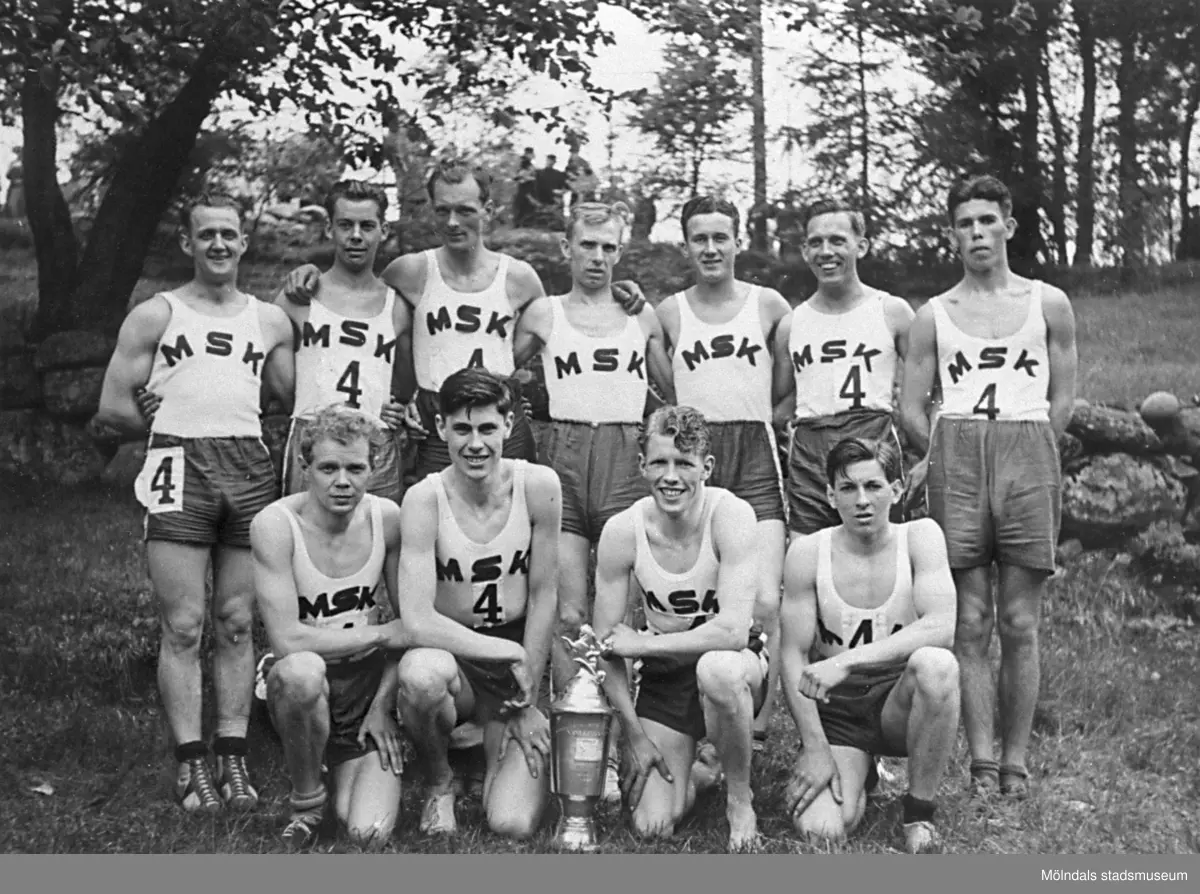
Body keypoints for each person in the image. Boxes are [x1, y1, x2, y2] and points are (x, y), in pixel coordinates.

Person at [95, 191, 294, 813]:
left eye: (228, 234)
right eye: (206, 234)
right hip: (178, 463)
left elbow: (286, 396)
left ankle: (233, 755)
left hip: (247, 464)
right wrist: (163, 415)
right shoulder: (156, 314)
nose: (218, 244)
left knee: (236, 620)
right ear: (187, 242)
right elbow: (112, 407)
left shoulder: (269, 320)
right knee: (183, 623)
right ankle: (190, 763)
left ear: (244, 242)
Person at [281, 160, 645, 483]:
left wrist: (617, 291)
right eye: (443, 211)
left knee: (508, 510)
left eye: (465, 210)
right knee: (432, 515)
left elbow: (562, 319)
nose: (453, 222)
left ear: (488, 210)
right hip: (436, 416)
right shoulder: (410, 271)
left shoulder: (518, 277)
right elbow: (359, 297)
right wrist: (309, 272)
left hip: (498, 416)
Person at [899, 175, 1077, 801]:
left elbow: (1063, 398)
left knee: (1020, 620)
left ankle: (1016, 763)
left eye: (987, 220)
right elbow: (911, 407)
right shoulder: (934, 314)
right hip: (959, 453)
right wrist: (944, 453)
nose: (977, 233)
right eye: (964, 223)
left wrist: (1033, 449)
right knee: (970, 619)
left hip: (1027, 447)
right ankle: (980, 762)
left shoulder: (1048, 302)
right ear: (952, 234)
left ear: (1008, 226)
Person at [393, 368, 563, 840]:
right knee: (421, 675)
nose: (475, 444)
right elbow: (417, 620)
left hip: (515, 660)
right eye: (462, 429)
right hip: (456, 657)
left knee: (512, 823)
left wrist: (527, 694)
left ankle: (490, 747)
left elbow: (544, 593)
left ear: (508, 425)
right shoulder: (424, 499)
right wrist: (506, 653)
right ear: (440, 427)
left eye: (487, 428)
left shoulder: (539, 486)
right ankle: (440, 780)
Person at [592, 406, 765, 851]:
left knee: (718, 671)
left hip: (734, 666)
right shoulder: (622, 530)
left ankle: (739, 800)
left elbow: (731, 633)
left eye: (684, 463)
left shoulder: (731, 515)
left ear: (707, 467)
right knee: (652, 824)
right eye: (660, 462)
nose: (671, 477)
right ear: (642, 465)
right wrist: (633, 735)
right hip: (667, 675)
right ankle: (702, 773)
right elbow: (606, 645)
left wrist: (644, 646)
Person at [513, 201, 674, 675]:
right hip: (564, 455)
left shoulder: (641, 316)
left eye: (608, 247)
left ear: (620, 252)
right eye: (587, 245)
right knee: (568, 609)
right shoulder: (543, 313)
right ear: (567, 248)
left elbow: (674, 391)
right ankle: (572, 707)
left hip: (624, 457)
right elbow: (498, 372)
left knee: (619, 608)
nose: (597, 257)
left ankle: (621, 709)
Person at [655, 195, 792, 751]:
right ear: (686, 245)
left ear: (738, 241)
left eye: (720, 237)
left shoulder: (768, 305)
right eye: (699, 238)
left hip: (754, 450)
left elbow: (785, 386)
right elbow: (666, 390)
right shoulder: (669, 312)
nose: (710, 248)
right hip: (697, 456)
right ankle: (702, 713)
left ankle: (756, 725)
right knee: (705, 592)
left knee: (765, 599)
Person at [779, 437, 959, 854]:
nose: (862, 500)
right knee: (822, 831)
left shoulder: (921, 537)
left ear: (896, 490)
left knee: (937, 665)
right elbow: (792, 655)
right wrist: (815, 747)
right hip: (839, 709)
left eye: (874, 486)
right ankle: (860, 770)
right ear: (830, 495)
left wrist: (848, 661)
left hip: (899, 702)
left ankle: (919, 812)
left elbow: (942, 625)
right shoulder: (807, 552)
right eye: (848, 488)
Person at [251, 405, 409, 849]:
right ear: (305, 468)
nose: (343, 481)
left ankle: (338, 766)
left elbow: (410, 627)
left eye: (355, 468)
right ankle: (307, 801)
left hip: (365, 685)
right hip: (303, 679)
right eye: (328, 468)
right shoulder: (276, 525)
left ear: (373, 469)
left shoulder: (387, 518)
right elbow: (287, 639)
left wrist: (383, 705)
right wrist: (380, 633)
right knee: (301, 672)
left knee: (368, 833)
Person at [772, 198, 915, 538]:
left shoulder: (892, 311)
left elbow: (927, 390)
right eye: (816, 243)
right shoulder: (792, 324)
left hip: (872, 438)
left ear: (861, 246)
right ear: (805, 251)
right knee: (808, 550)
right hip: (811, 447)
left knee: (881, 549)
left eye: (837, 241)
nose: (826, 252)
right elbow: (781, 402)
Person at [276, 180, 410, 502]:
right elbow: (272, 378)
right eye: (345, 225)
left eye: (367, 226)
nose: (356, 236)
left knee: (379, 526)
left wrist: (398, 406)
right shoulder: (298, 297)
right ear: (329, 229)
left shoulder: (398, 306)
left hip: (375, 440)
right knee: (308, 528)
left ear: (384, 231)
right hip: (313, 437)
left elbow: (407, 380)